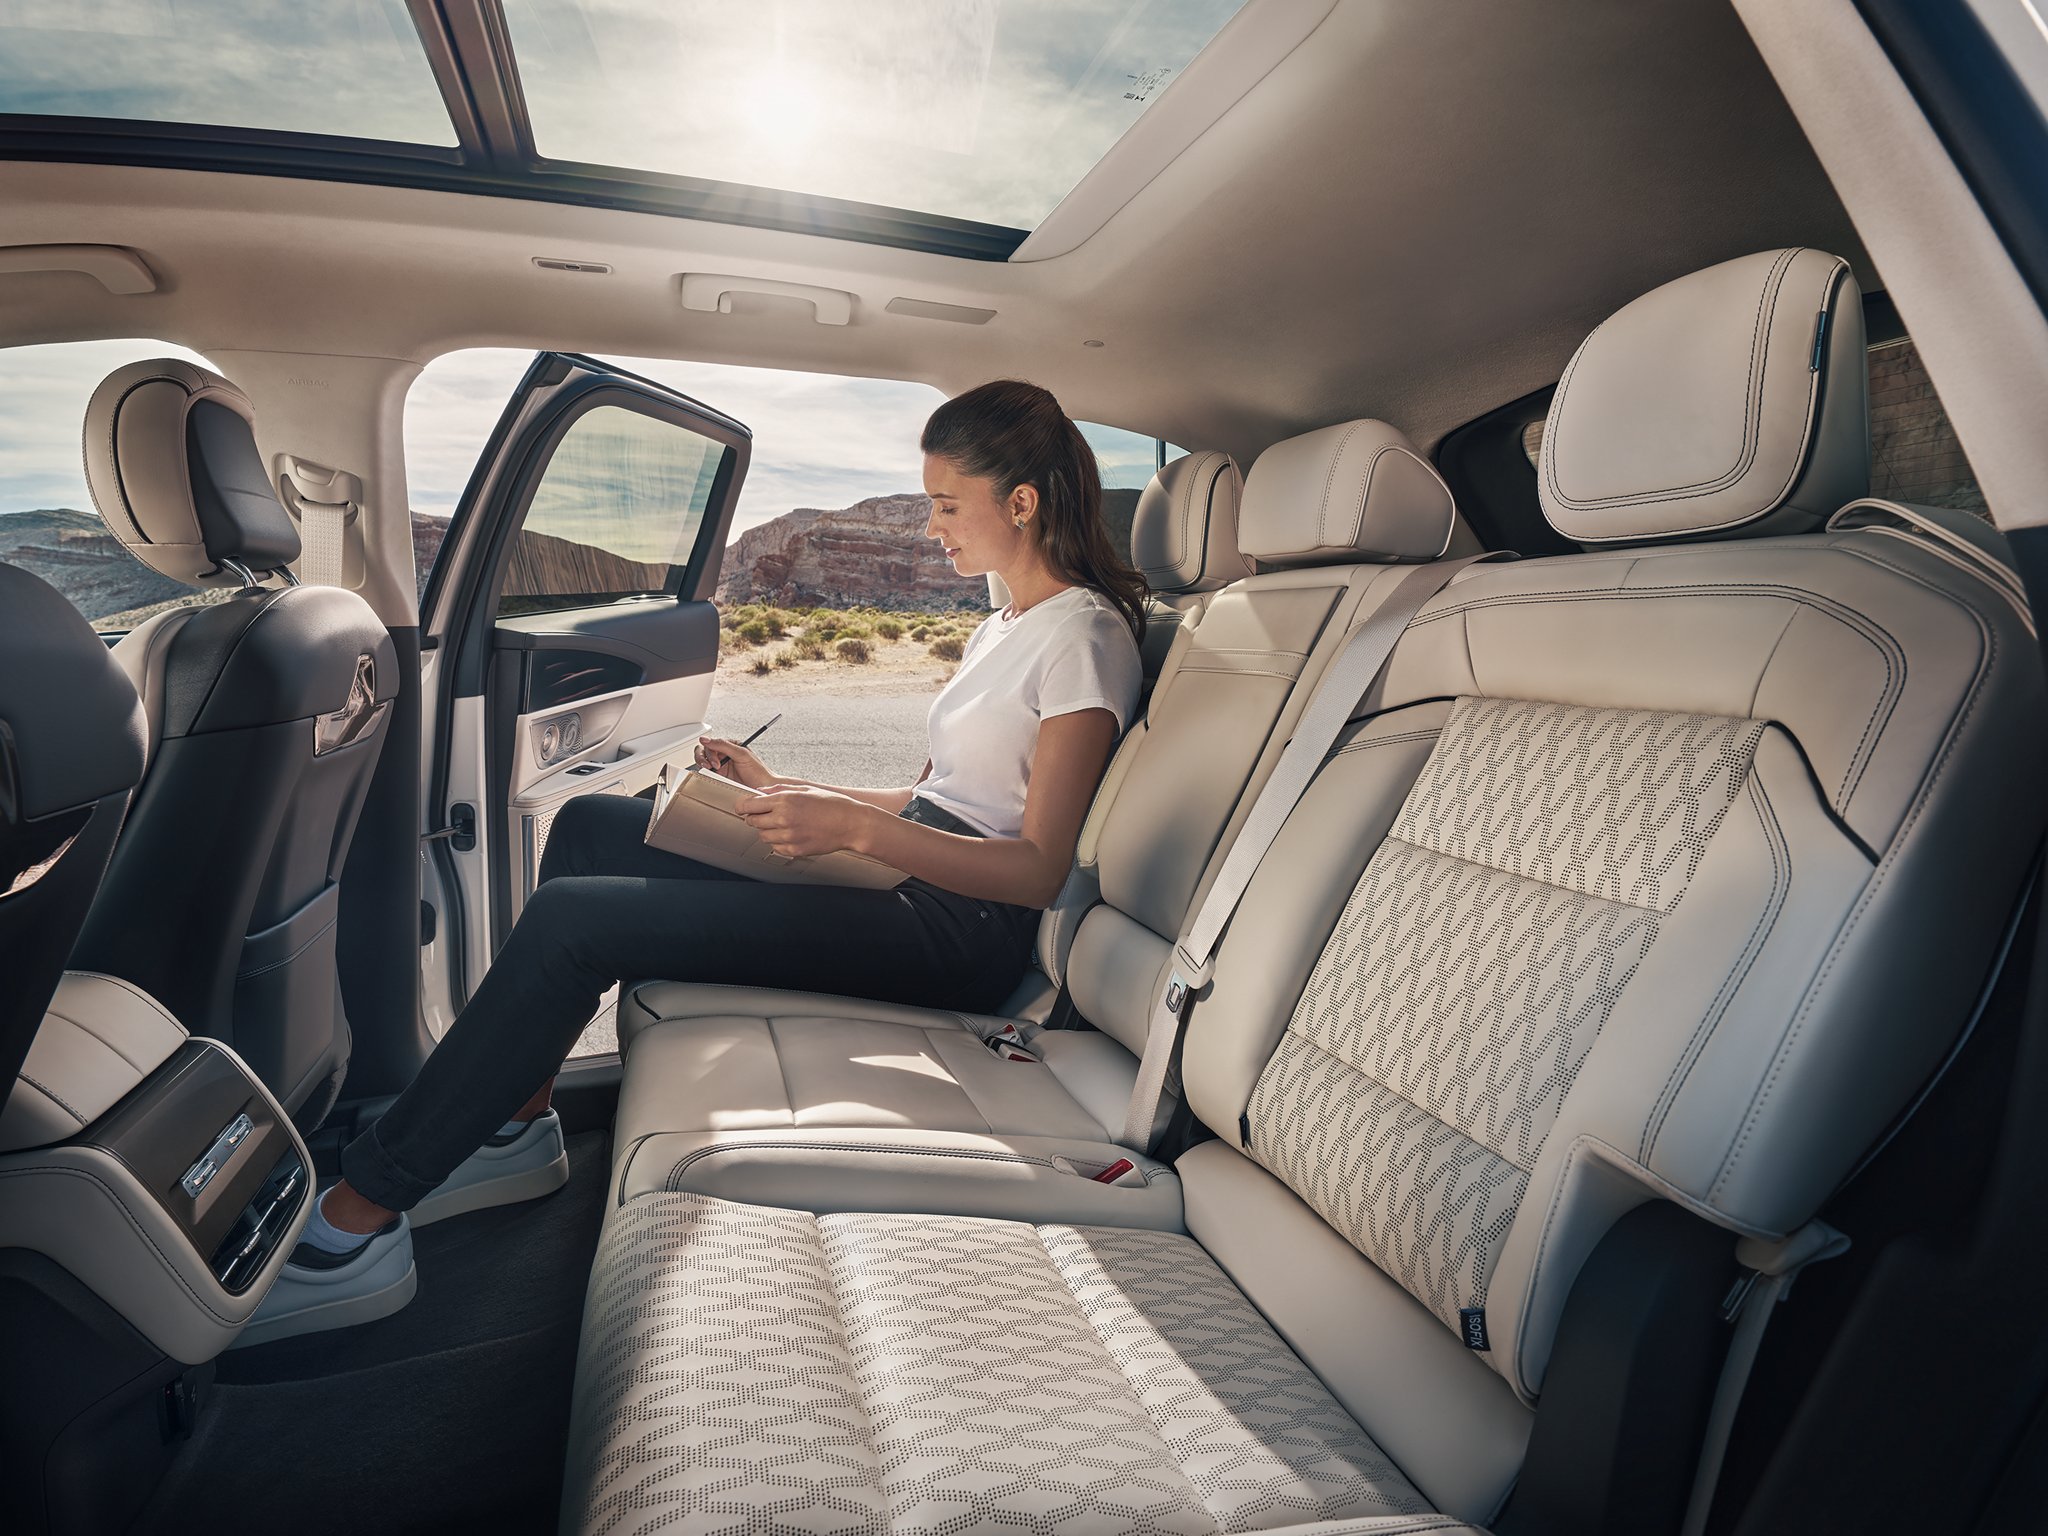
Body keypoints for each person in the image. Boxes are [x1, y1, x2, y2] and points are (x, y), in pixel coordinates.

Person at [280, 379, 1148, 1280]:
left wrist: (852, 831)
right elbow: (944, 797)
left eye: (945, 505)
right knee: (587, 825)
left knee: (578, 922)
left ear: (1022, 502)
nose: (933, 527)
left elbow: (1038, 868)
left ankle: (359, 1215)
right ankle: (512, 1114)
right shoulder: (1004, 626)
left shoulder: (1083, 636)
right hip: (907, 877)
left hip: (959, 930)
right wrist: (790, 791)